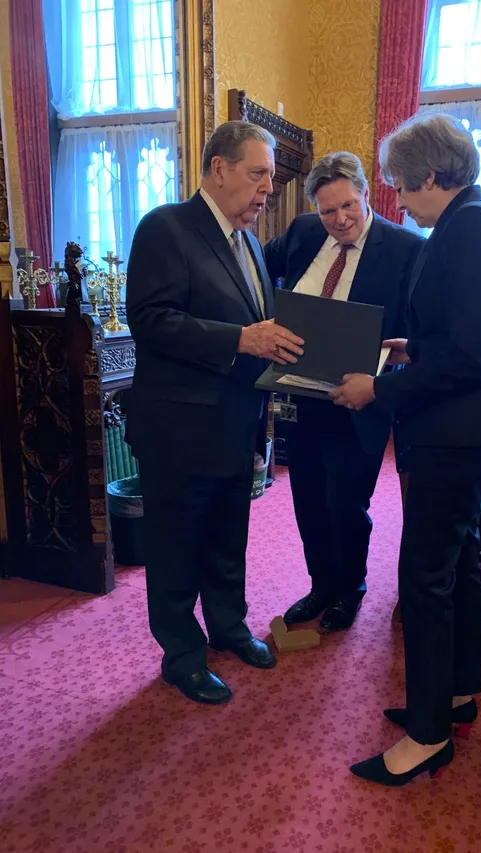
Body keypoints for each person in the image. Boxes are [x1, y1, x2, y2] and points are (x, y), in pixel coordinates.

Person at [330, 114, 481, 784]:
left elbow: (472, 356)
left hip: (462, 426)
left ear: (429, 176)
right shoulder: (474, 222)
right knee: (459, 560)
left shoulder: (471, 229)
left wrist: (379, 391)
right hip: (471, 420)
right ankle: (455, 695)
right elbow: (468, 335)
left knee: (424, 574)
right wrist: (412, 347)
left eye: (398, 185)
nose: (397, 200)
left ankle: (427, 735)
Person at [126, 121, 304, 705]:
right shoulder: (166, 228)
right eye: (257, 176)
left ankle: (228, 627)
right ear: (219, 167)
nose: (266, 192)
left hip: (235, 423)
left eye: (271, 181)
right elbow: (151, 321)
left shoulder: (248, 241)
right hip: (179, 429)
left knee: (229, 538)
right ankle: (182, 655)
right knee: (177, 547)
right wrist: (240, 340)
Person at [264, 152, 423, 632]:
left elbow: (423, 326)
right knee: (307, 498)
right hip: (302, 394)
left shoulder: (406, 249)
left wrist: (401, 358)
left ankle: (349, 589)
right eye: (328, 210)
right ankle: (320, 586)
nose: (340, 219)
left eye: (349, 206)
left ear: (367, 195)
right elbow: (253, 268)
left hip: (361, 400)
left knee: (347, 503)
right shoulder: (303, 233)